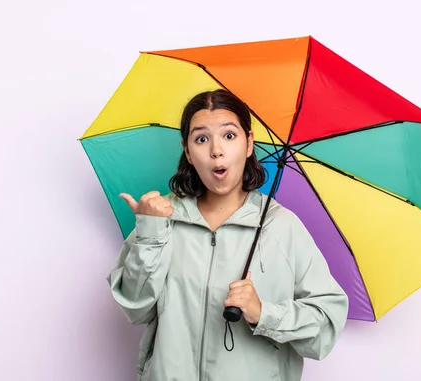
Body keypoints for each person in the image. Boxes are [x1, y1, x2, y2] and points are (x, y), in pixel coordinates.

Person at [107, 89, 349, 381]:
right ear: (187, 151)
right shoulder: (161, 220)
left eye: (229, 136)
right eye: (201, 138)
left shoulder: (281, 226)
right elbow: (135, 309)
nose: (216, 151)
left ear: (248, 143)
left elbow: (325, 328)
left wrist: (263, 313)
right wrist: (149, 234)